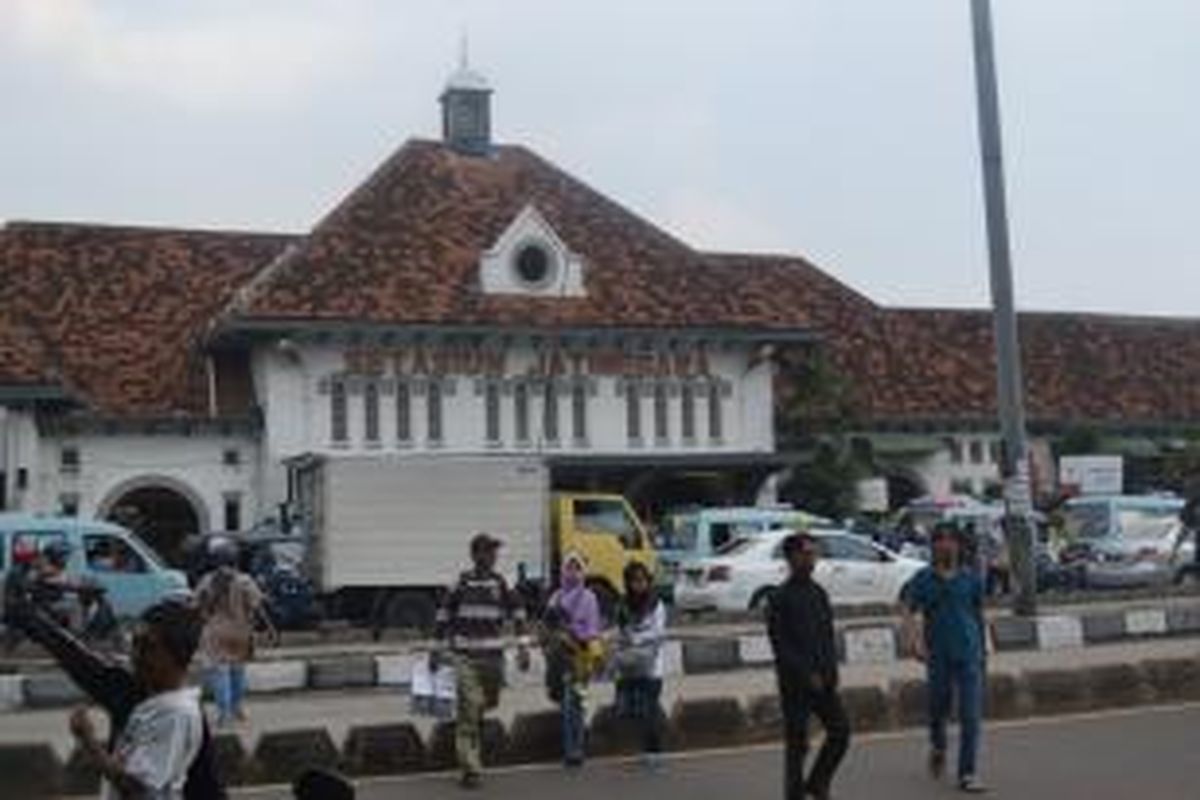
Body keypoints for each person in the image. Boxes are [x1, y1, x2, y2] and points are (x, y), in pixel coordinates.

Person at [4, 574, 225, 799]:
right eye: (135, 645)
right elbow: (79, 660)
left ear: (178, 655)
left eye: (148, 648)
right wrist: (29, 618)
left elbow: (138, 788)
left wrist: (89, 743)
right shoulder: (132, 689)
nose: (136, 656)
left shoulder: (176, 713)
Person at [434, 533, 531, 789]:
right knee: (470, 709)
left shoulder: (502, 583)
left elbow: (519, 612)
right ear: (475, 555)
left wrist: (523, 647)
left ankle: (472, 741)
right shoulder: (461, 582)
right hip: (464, 657)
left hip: (492, 659)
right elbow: (443, 614)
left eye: (494, 552)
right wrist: (436, 648)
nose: (492, 556)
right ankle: (470, 768)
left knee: (485, 705)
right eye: (487, 551)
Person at [902, 522, 989, 794]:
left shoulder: (971, 578)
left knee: (970, 716)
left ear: (959, 546)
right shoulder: (923, 579)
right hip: (938, 654)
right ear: (933, 546)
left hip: (970, 653)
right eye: (940, 540)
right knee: (938, 710)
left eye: (951, 540)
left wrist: (985, 647)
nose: (946, 545)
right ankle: (938, 746)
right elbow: (908, 609)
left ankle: (968, 772)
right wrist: (914, 641)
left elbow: (978, 614)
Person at [766, 533, 850, 800]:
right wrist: (805, 674)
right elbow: (781, 645)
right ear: (791, 557)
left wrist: (831, 671)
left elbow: (827, 636)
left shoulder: (818, 593)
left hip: (824, 680)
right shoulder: (779, 598)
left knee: (841, 731)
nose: (811, 559)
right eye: (805, 554)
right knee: (797, 744)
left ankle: (817, 782)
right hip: (795, 684)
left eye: (813, 554)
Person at [194, 540, 275, 728]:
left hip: (215, 632)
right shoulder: (244, 580)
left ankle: (224, 713)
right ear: (234, 559)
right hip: (240, 632)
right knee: (237, 671)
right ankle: (237, 708)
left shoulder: (207, 580)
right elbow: (258, 606)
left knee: (219, 673)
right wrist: (270, 628)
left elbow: (196, 604)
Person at [545, 554, 604, 768]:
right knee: (566, 703)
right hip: (559, 659)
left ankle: (574, 750)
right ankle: (578, 738)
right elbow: (547, 626)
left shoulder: (590, 598)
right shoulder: (556, 597)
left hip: (580, 658)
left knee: (573, 703)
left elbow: (593, 629)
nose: (572, 572)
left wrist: (576, 638)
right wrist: (556, 635)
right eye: (569, 567)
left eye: (577, 567)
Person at [614, 561, 667, 769]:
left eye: (643, 580)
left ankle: (653, 754)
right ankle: (647, 748)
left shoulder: (656, 604)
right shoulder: (622, 605)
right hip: (628, 666)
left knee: (650, 710)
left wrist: (636, 639)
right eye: (634, 581)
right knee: (631, 710)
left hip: (652, 666)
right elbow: (620, 633)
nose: (639, 585)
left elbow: (659, 633)